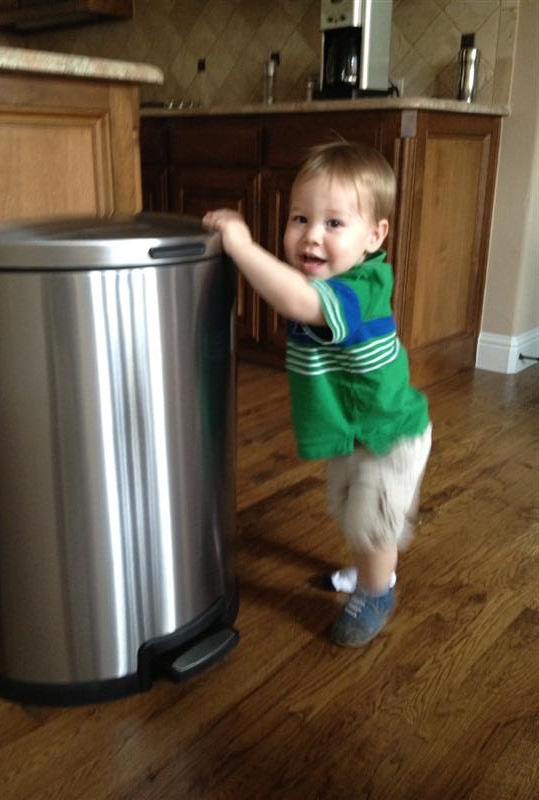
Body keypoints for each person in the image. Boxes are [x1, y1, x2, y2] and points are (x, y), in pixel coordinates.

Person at [203, 141, 431, 647]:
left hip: (389, 436)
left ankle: (377, 591)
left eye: (334, 223)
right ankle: (371, 567)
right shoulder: (329, 281)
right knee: (347, 509)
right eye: (300, 218)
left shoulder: (359, 289)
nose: (310, 235)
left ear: (375, 236)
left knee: (371, 523)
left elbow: (299, 301)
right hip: (354, 430)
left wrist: (242, 246)